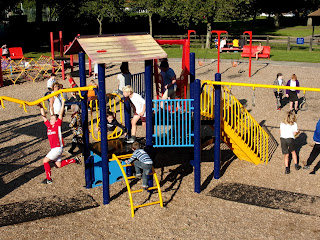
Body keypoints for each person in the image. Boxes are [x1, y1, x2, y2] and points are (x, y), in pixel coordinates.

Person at [38, 99, 80, 184]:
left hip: (57, 148)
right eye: (51, 119)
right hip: (56, 149)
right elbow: (44, 117)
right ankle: (74, 160)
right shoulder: (49, 126)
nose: (50, 120)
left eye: (52, 119)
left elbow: (60, 114)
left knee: (45, 161)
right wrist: (41, 107)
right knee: (58, 165)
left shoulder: (57, 125)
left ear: (56, 120)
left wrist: (63, 103)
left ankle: (48, 179)